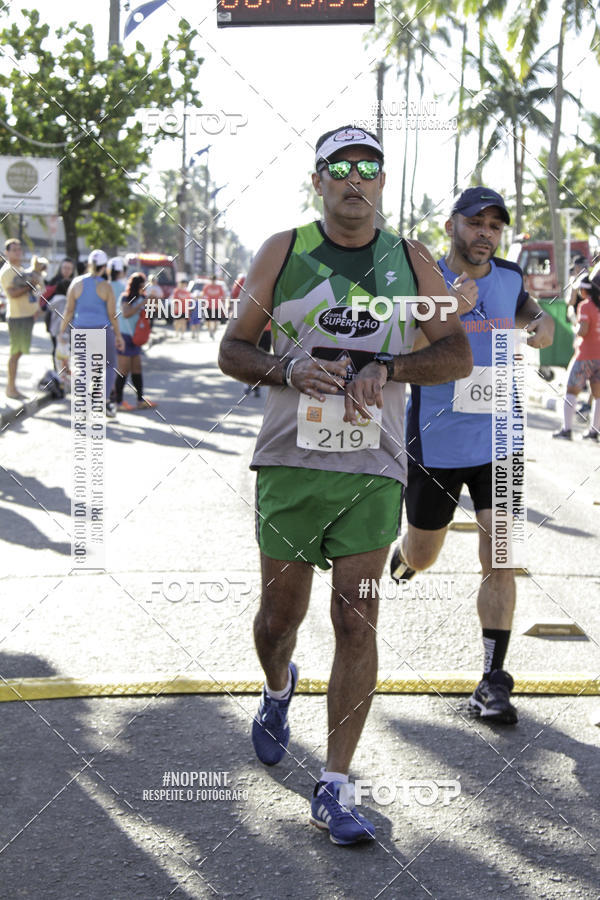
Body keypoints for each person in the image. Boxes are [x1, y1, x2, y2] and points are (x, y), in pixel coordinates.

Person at [218, 125, 472, 845]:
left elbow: (454, 354)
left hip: (372, 467)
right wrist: (288, 370)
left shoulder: (412, 260)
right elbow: (232, 348)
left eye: (369, 167)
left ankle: (334, 785)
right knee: (278, 621)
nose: (354, 179)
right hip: (291, 462)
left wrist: (389, 370)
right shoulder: (285, 250)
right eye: (340, 167)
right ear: (319, 180)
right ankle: (277, 687)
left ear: (383, 182)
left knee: (356, 619)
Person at [390, 186, 555, 725]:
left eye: (494, 225)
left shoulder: (509, 278)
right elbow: (402, 352)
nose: (486, 233)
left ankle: (492, 680)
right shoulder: (425, 278)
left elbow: (538, 322)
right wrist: (447, 312)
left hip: (500, 442)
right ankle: (404, 555)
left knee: (500, 559)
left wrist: (538, 328)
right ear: (452, 226)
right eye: (475, 223)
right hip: (437, 441)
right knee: (422, 555)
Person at [60, 249, 125, 418]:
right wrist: (118, 336)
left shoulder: (76, 283)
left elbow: (68, 311)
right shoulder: (106, 286)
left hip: (80, 329)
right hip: (102, 330)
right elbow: (112, 315)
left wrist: (61, 331)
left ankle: (81, 404)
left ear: (89, 264)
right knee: (110, 365)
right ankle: (103, 399)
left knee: (83, 367)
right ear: (104, 268)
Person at [553, 262, 600, 441]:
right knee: (598, 395)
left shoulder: (586, 307)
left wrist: (574, 325)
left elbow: (583, 331)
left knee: (571, 390)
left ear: (586, 290)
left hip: (585, 355)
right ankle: (594, 432)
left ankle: (567, 429)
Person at [0, 238, 40, 399]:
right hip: (17, 317)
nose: (18, 252)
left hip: (26, 316)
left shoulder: (20, 268)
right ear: (7, 253)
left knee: (19, 352)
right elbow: (12, 293)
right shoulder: (8, 270)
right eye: (14, 249)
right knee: (15, 352)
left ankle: (12, 387)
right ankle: (10, 388)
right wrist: (30, 285)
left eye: (19, 249)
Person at [113, 272, 157, 411]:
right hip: (124, 336)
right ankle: (118, 402)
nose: (144, 287)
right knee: (123, 370)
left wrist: (154, 303)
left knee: (137, 369)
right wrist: (142, 303)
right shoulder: (125, 298)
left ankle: (140, 399)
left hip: (136, 338)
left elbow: (151, 313)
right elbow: (126, 313)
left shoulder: (143, 297)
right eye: (142, 284)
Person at [43, 258, 75, 368]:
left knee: (67, 350)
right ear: (61, 268)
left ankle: (64, 373)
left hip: (69, 323)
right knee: (57, 348)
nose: (66, 271)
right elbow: (46, 302)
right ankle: (58, 372)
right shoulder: (54, 281)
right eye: (64, 268)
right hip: (55, 321)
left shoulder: (75, 282)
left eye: (69, 268)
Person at [202, 275, 226, 339]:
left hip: (217, 306)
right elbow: (203, 295)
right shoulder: (206, 287)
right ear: (210, 280)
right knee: (208, 320)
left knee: (216, 321)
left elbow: (223, 296)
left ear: (216, 280)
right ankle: (210, 331)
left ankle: (214, 331)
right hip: (208, 306)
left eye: (214, 280)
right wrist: (203, 303)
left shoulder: (219, 287)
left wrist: (223, 303)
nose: (213, 281)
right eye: (212, 280)